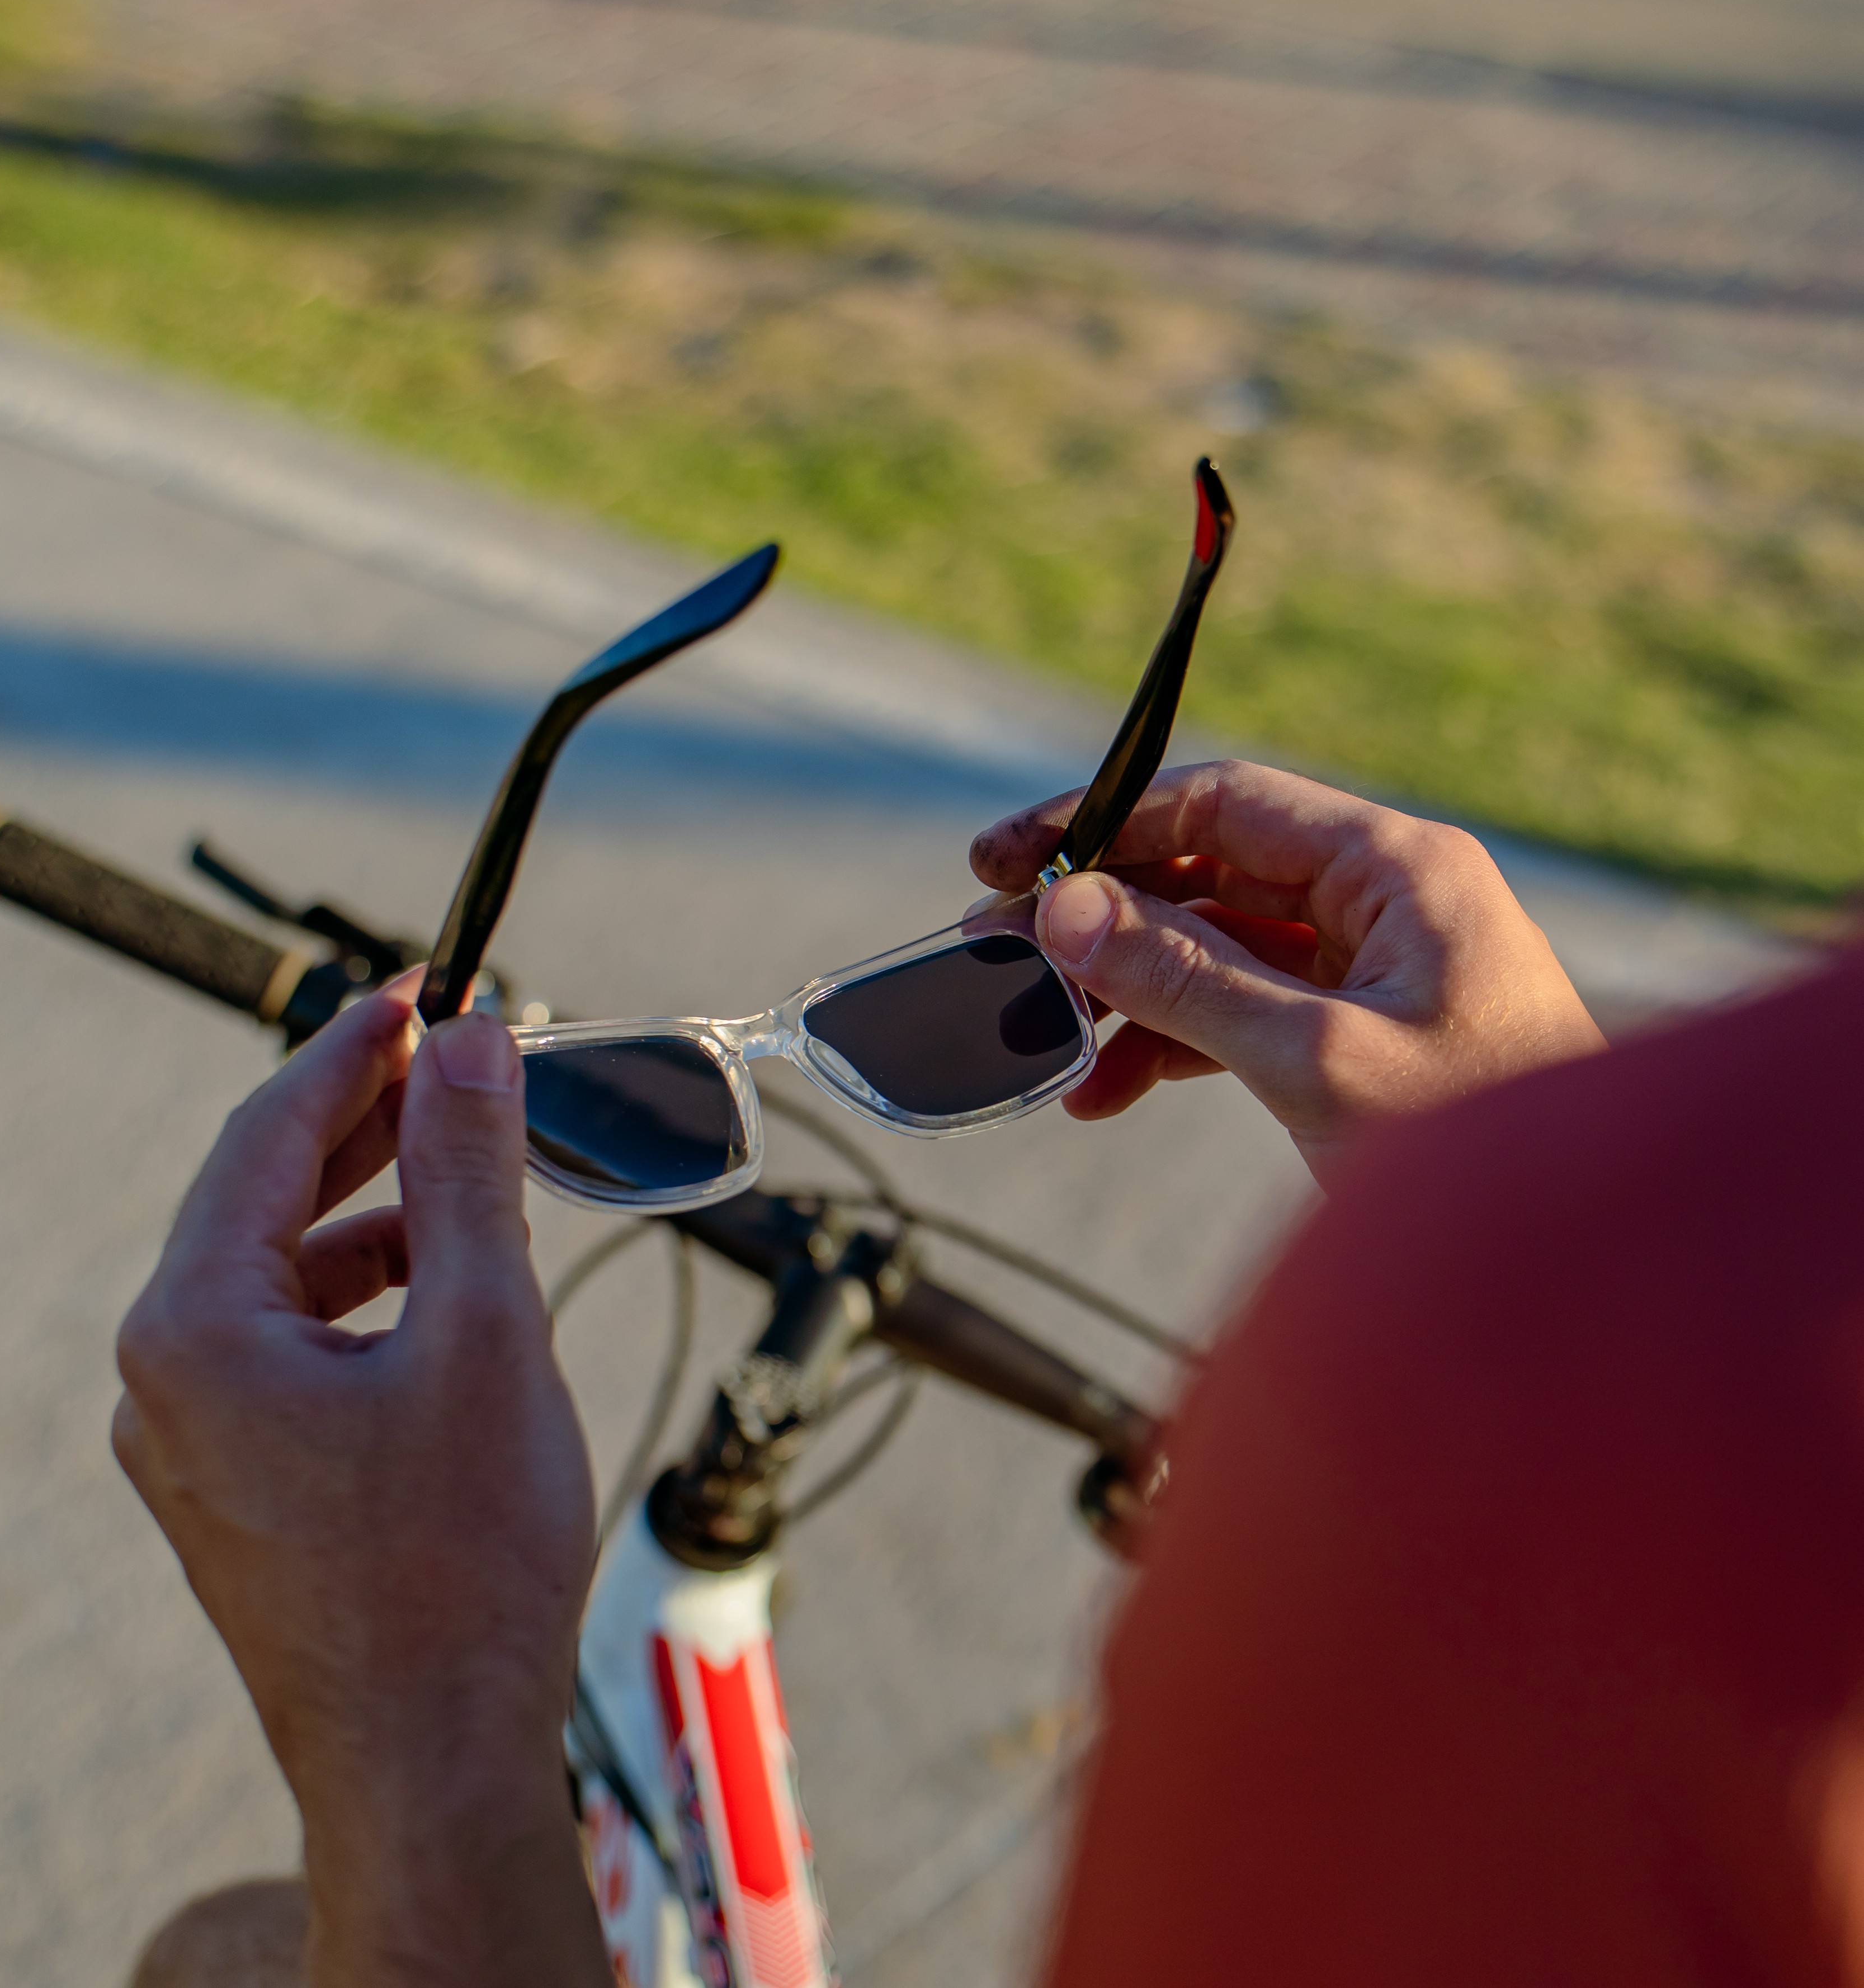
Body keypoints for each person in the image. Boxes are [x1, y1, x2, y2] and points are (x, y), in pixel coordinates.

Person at [115, 758, 1862, 1987]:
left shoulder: (1659, 1363)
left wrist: (405, 1719)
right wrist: (1541, 1189)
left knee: (231, 1957)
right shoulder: (1715, 1273)